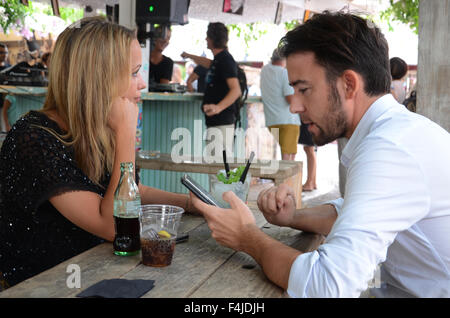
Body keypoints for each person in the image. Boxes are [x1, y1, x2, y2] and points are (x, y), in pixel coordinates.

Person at [190, 12, 450, 297]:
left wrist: (248, 237)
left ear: (349, 84)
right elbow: (353, 212)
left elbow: (325, 286)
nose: (295, 106)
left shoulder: (389, 149)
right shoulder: (395, 132)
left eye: (304, 89)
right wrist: (292, 217)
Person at [0, 17, 199, 290]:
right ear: (97, 79)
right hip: (41, 287)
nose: (141, 83)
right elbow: (115, 227)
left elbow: (127, 190)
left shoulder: (91, 129)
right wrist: (126, 133)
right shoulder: (34, 138)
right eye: (133, 73)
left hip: (92, 274)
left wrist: (189, 203)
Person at [181, 22, 241, 157]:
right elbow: (205, 62)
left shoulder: (225, 60)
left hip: (222, 123)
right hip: (217, 123)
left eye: (207, 36)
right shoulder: (219, 60)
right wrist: (189, 55)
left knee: (217, 171)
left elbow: (236, 90)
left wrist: (218, 108)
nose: (206, 39)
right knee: (216, 170)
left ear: (213, 39)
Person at [260, 48, 300, 161]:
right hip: (288, 121)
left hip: (271, 121)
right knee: (288, 158)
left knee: (285, 154)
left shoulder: (264, 70)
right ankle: (287, 180)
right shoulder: (284, 73)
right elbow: (290, 99)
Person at [298, 120, 317, 191]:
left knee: (309, 149)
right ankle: (313, 182)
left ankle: (310, 183)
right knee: (309, 149)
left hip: (309, 121)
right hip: (310, 121)